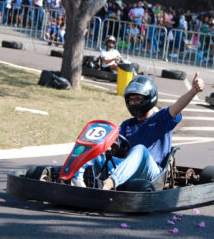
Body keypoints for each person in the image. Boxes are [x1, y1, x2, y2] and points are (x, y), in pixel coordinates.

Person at [72, 74, 205, 190]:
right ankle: (76, 179)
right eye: (130, 99)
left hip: (152, 173)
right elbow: (116, 143)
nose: (133, 103)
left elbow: (177, 107)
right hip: (126, 169)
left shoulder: (162, 118)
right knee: (95, 148)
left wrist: (193, 91)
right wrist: (108, 145)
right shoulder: (127, 124)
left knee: (139, 149)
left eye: (137, 99)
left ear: (149, 98)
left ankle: (108, 184)